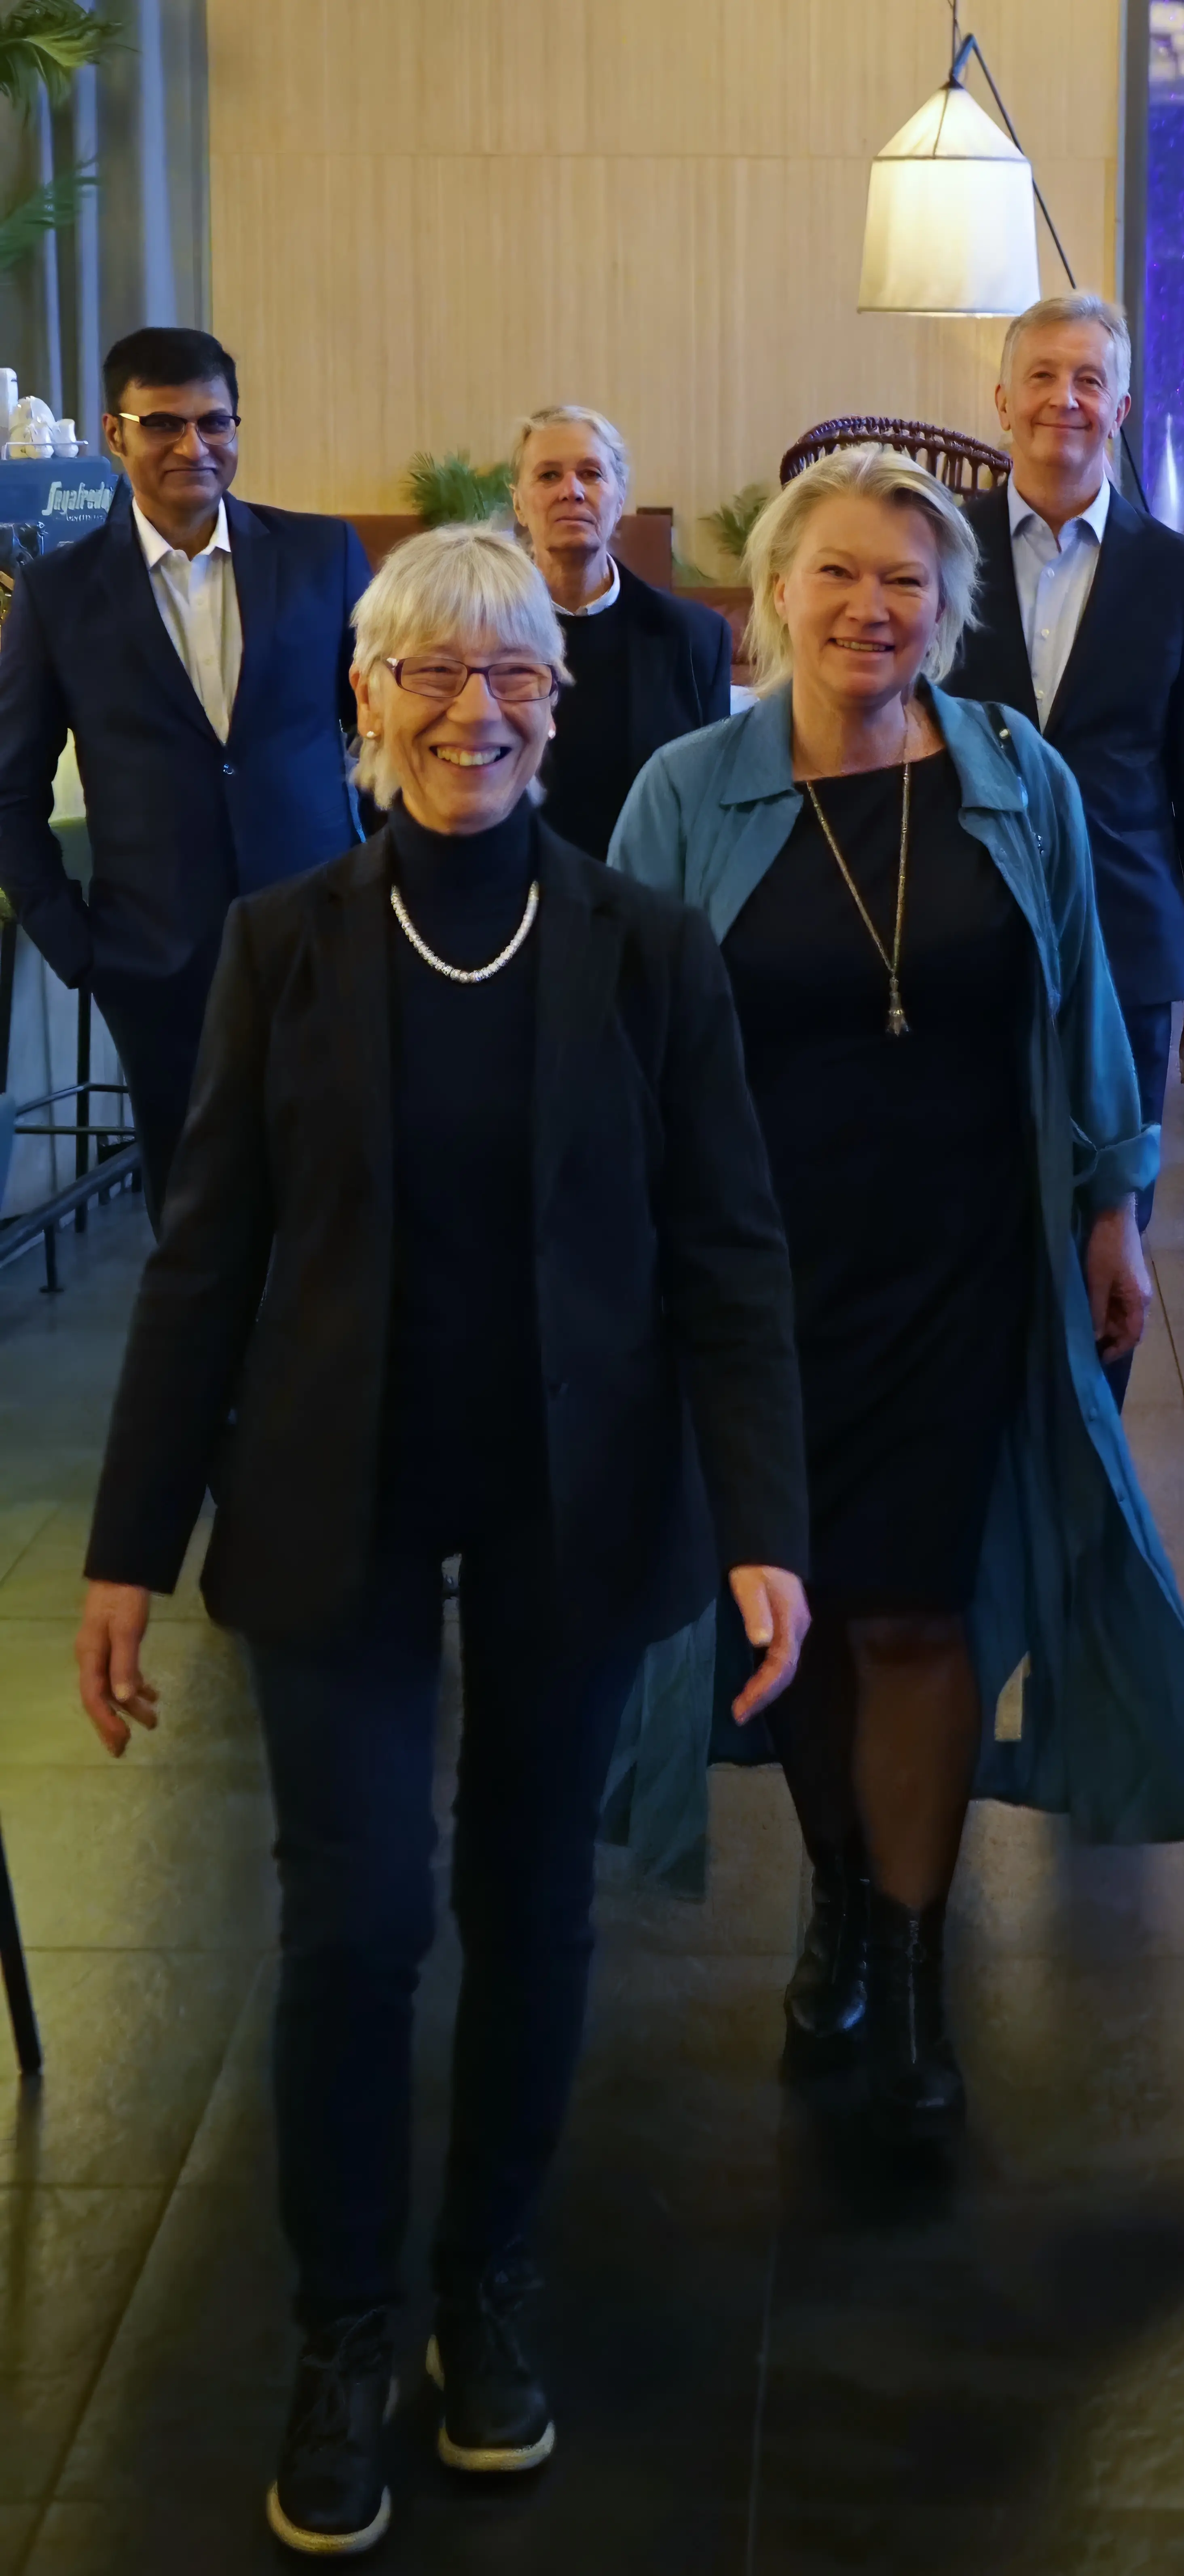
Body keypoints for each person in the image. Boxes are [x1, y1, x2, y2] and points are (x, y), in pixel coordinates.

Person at [71, 524, 810, 2555]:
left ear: (562, 718)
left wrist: (765, 1522)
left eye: (515, 683)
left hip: (574, 1494)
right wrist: (126, 1541)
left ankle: (487, 2287)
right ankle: (341, 2319)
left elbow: (732, 1255)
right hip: (341, 1485)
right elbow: (204, 1259)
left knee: (533, 1908)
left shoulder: (648, 948)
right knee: (356, 1919)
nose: (475, 711)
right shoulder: (280, 943)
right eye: (430, 677)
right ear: (363, 704)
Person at [611, 445, 1184, 2144]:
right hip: (759, 1283)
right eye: (833, 574)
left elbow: (1073, 1008)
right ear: (772, 594)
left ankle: (909, 1963)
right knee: (808, 1611)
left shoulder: (1014, 774)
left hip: (963, 1261)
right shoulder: (683, 794)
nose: (868, 607)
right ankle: (839, 1891)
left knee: (919, 1611)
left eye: (904, 582)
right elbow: (624, 1061)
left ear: (947, 610)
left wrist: (1110, 1211)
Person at [0, 325, 368, 1229]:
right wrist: (78, 947)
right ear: (114, 433)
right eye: (163, 424)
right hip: (156, 962)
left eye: (216, 422)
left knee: (342, 1200)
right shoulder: (56, 594)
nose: (194, 447)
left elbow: (391, 736)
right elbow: (11, 790)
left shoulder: (324, 556)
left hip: (324, 943)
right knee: (199, 1216)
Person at [946, 292, 1184, 1392]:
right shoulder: (940, 550)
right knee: (979, 1208)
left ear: (1120, 407)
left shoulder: (1179, 573)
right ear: (1002, 400)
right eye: (1042, 376)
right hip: (962, 920)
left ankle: (1093, 1463)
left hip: (1129, 940)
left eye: (1088, 381)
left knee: (1109, 1233)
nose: (1063, 400)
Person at [509, 404, 732, 860]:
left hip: (645, 903)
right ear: (518, 502)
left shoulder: (695, 639)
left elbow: (713, 805)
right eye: (548, 476)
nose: (571, 491)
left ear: (620, 496)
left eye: (590, 474)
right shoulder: (480, 631)